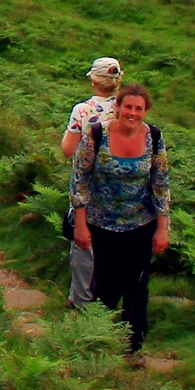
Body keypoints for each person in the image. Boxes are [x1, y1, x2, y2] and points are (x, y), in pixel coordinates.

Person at [70, 83, 171, 357]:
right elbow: (80, 179)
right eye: (128, 107)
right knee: (106, 285)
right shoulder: (97, 134)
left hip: (141, 223)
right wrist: (80, 224)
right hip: (101, 223)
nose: (132, 113)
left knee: (138, 287)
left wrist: (162, 228)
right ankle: (96, 341)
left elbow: (160, 184)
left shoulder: (155, 137)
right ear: (117, 107)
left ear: (145, 111)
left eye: (139, 109)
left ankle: (133, 347)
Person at [60, 58, 126, 310]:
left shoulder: (83, 110)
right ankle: (108, 299)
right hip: (119, 183)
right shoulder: (125, 108)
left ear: (94, 80)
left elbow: (68, 149)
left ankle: (80, 298)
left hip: (88, 181)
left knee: (83, 241)